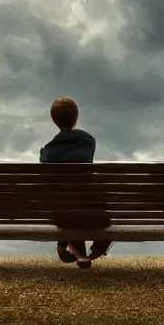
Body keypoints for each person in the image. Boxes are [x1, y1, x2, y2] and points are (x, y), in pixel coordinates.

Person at [39, 97, 112, 269]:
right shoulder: (88, 142)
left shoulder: (47, 152)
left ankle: (78, 254)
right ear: (76, 117)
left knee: (68, 210)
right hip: (91, 211)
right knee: (100, 217)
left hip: (65, 213)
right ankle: (91, 254)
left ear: (53, 120)